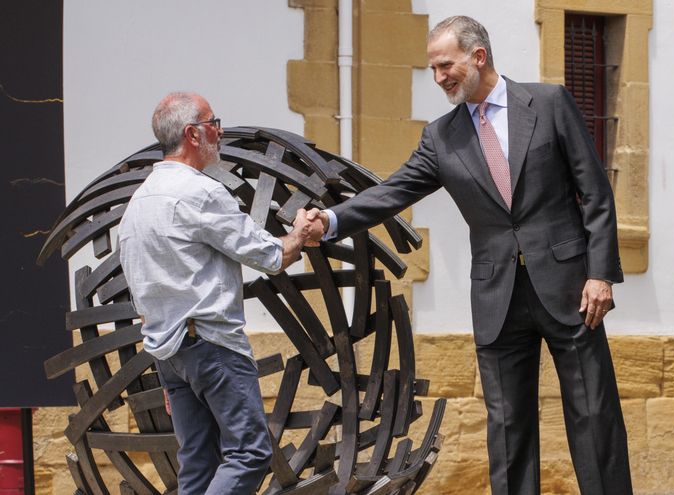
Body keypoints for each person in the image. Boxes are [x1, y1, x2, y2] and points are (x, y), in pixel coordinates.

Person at [304, 16, 631, 495]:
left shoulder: (549, 102)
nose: (439, 78)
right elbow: (393, 191)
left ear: (479, 56)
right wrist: (330, 221)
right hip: (497, 297)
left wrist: (600, 273)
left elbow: (596, 194)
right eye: (433, 69)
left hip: (571, 289)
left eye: (445, 65)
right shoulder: (441, 136)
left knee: (593, 414)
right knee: (507, 427)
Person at [118, 92, 313, 494]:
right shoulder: (200, 192)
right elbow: (270, 256)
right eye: (213, 123)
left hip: (169, 354)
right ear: (192, 133)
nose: (220, 131)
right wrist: (301, 233)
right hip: (212, 347)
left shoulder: (139, 202)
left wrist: (172, 367)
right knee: (250, 453)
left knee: (198, 462)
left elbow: (139, 289)